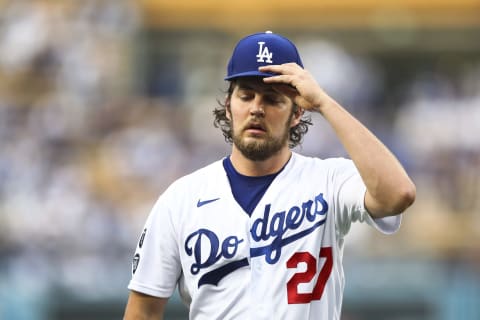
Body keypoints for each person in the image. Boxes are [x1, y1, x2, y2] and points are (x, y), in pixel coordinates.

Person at [123, 31, 416, 320]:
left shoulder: (329, 180)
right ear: (228, 106)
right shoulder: (181, 199)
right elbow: (142, 312)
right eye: (246, 95)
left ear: (297, 113)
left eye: (273, 99)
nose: (256, 109)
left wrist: (325, 103)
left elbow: (398, 194)